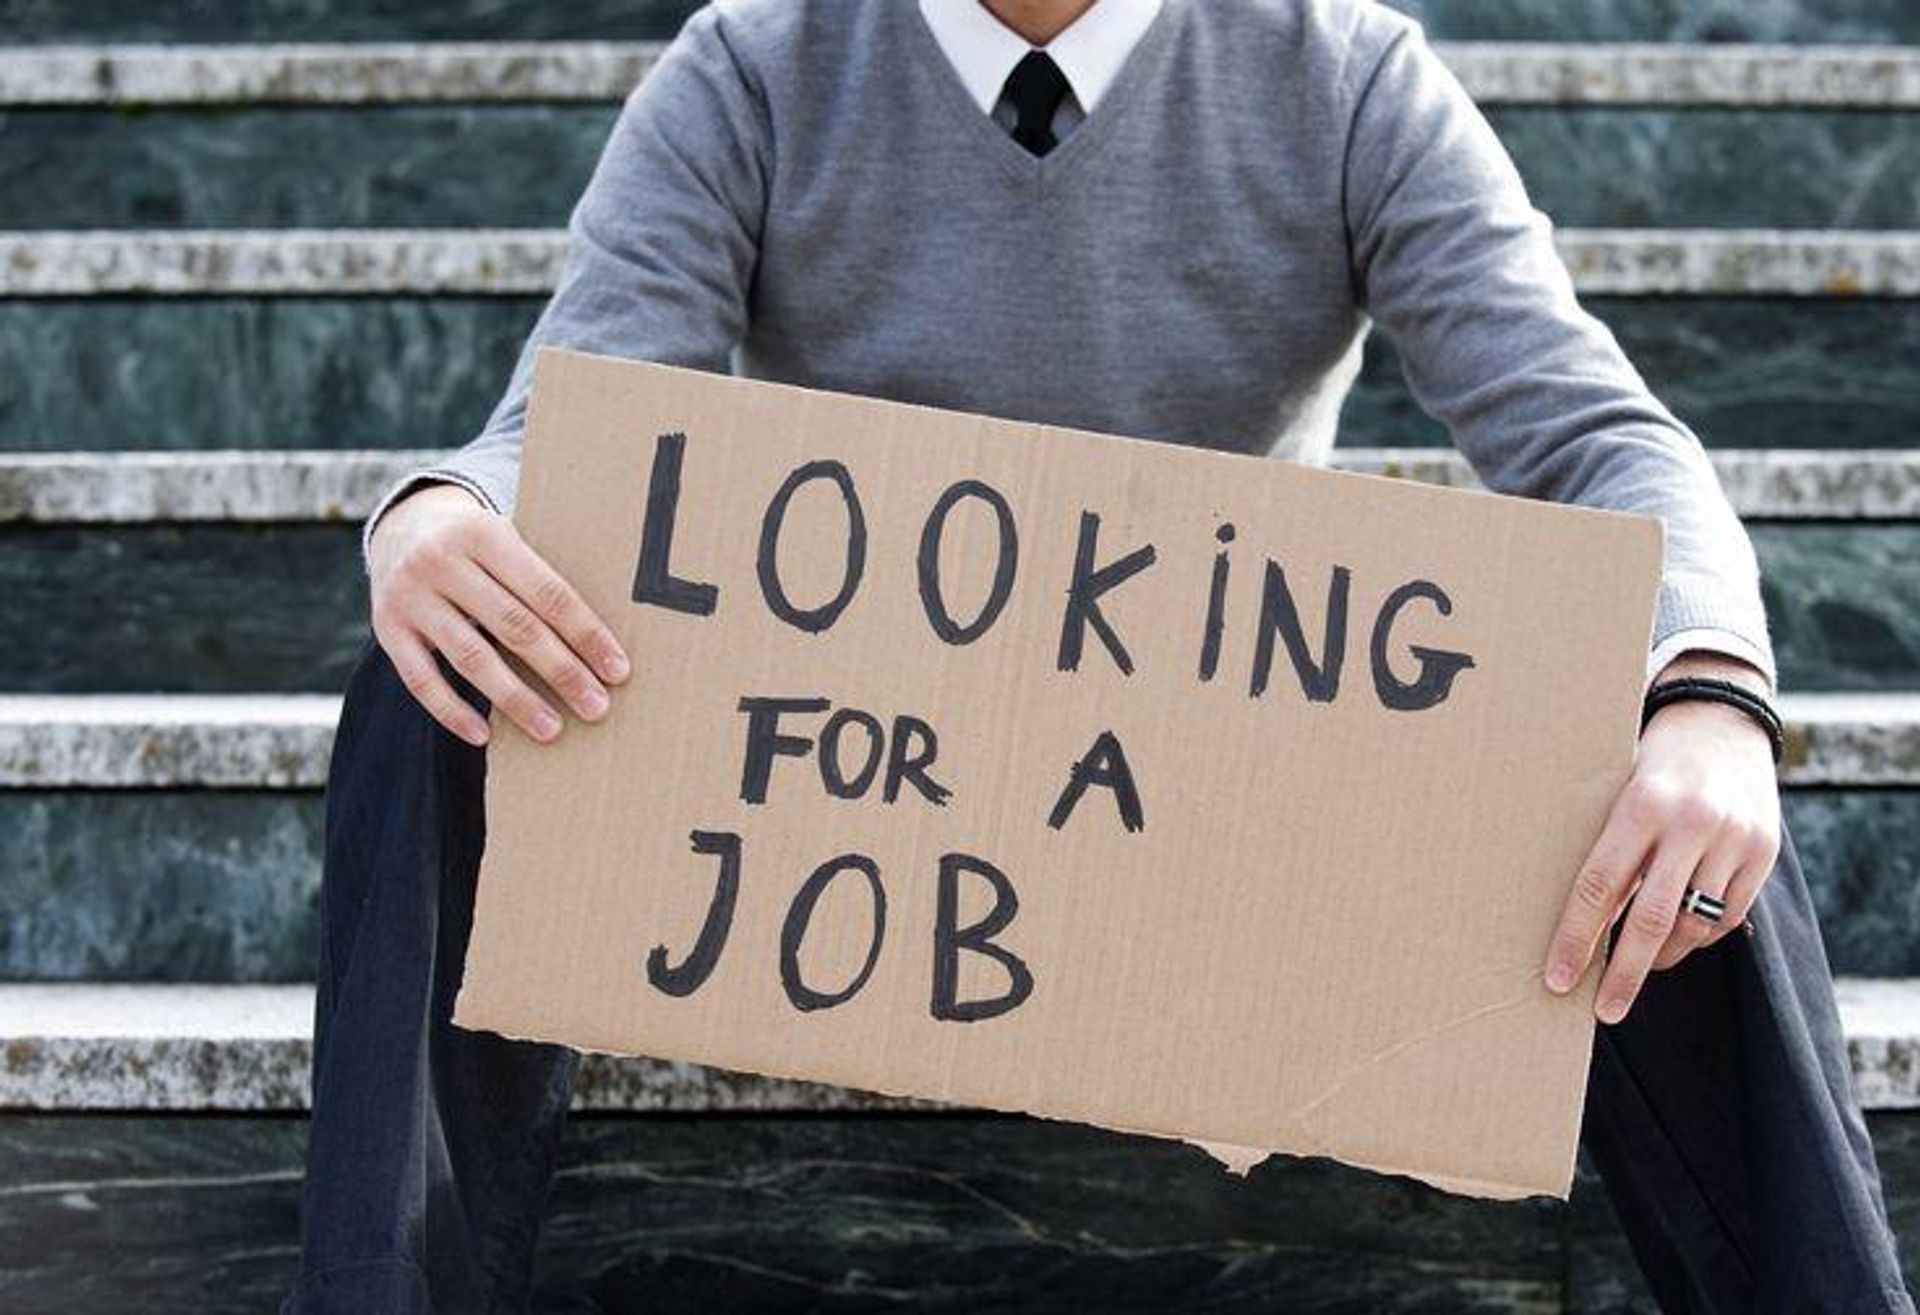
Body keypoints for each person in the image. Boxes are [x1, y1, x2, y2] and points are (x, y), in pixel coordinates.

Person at [283, 1, 1915, 1310]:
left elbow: (1603, 441)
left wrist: (1706, 692)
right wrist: (433, 514)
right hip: (863, 792)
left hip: (1222, 801)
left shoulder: (1340, 69)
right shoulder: (755, 62)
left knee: (1674, 772)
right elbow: (561, 426)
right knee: (443, 675)